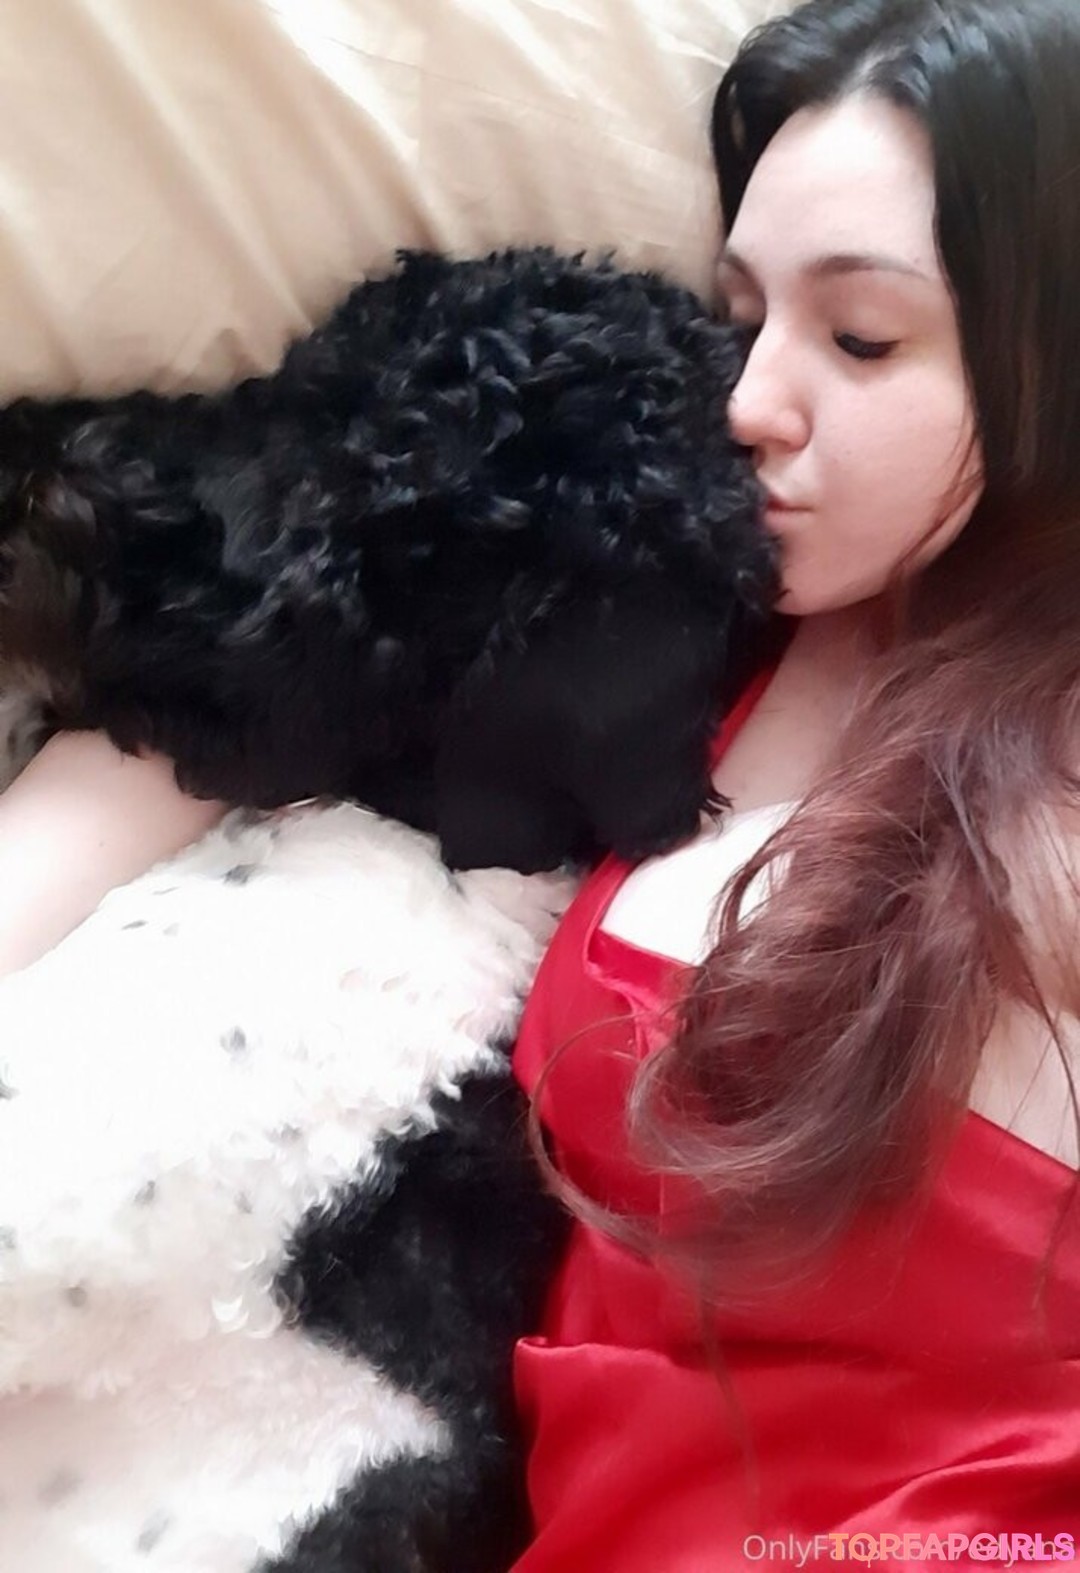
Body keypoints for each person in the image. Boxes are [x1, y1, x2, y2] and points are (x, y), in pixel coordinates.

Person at [1, 0, 1079, 1559]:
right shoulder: (662, 607)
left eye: (861, 337)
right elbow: (212, 703)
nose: (749, 400)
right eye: (742, 315)